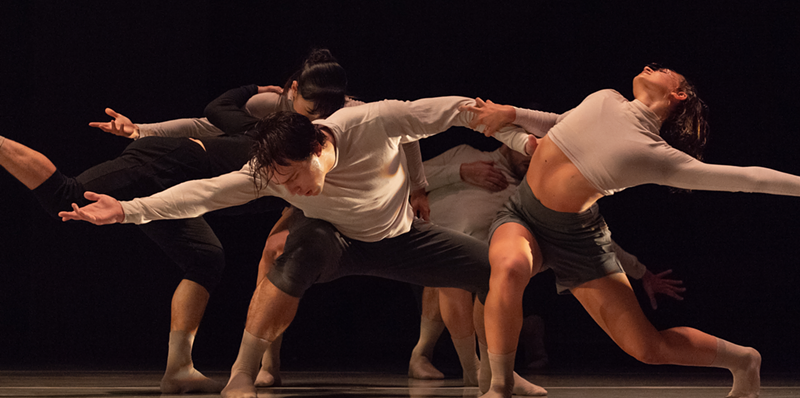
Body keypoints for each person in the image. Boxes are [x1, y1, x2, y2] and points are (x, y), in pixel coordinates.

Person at [57, 97, 546, 398]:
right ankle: (242, 375)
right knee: (292, 255)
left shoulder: (373, 122)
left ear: (317, 148)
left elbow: (464, 109)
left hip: (401, 236)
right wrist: (127, 209)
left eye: (292, 175)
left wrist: (523, 142)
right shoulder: (267, 172)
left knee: (495, 270)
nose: (287, 185)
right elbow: (201, 194)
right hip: (334, 238)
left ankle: (497, 377)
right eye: (278, 180)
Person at [0, 49, 350, 394]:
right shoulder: (261, 133)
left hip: (178, 192)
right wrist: (143, 131)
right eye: (311, 108)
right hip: (166, 163)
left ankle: (179, 369)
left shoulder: (313, 156)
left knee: (205, 258)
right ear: (292, 95)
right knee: (66, 195)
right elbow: (207, 118)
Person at [460, 63, 800, 398]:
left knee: (646, 348)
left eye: (664, 69)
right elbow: (560, 123)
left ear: (678, 94)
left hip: (578, 240)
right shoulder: (605, 98)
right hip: (523, 213)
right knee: (508, 267)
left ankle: (743, 359)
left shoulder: (658, 156)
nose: (649, 66)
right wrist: (512, 113)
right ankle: (500, 386)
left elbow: (750, 179)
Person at [409, 143, 686, 379]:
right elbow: (406, 177)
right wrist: (459, 171)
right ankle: (431, 356)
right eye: (527, 148)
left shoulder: (531, 193)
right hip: (428, 243)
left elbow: (590, 237)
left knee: (478, 280)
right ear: (508, 141)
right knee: (450, 273)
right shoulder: (463, 153)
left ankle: (483, 369)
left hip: (477, 263)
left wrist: (642, 273)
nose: (531, 156)